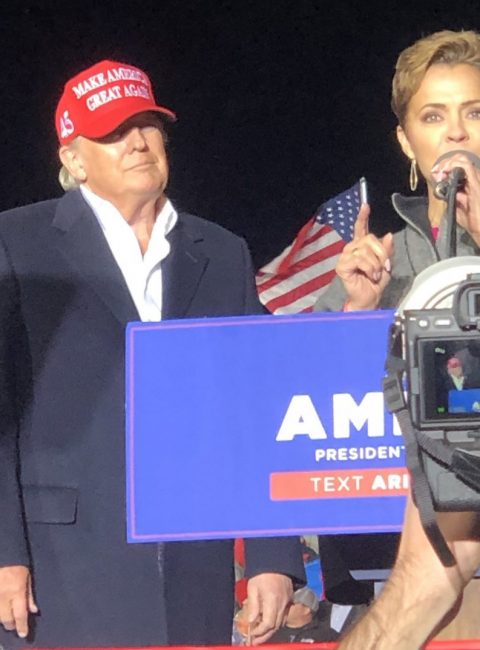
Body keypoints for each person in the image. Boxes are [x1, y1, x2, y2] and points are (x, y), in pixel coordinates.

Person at [0, 59, 305, 648]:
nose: (138, 142)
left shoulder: (221, 252)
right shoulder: (17, 244)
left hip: (194, 568)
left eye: (148, 125)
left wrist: (272, 554)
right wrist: (3, 551)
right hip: (58, 570)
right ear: (73, 159)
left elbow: (256, 406)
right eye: (115, 131)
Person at [314, 29, 480, 647]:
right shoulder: (384, 261)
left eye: (474, 112)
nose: (456, 132)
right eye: (433, 116)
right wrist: (357, 316)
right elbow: (304, 413)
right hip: (403, 561)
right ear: (408, 142)